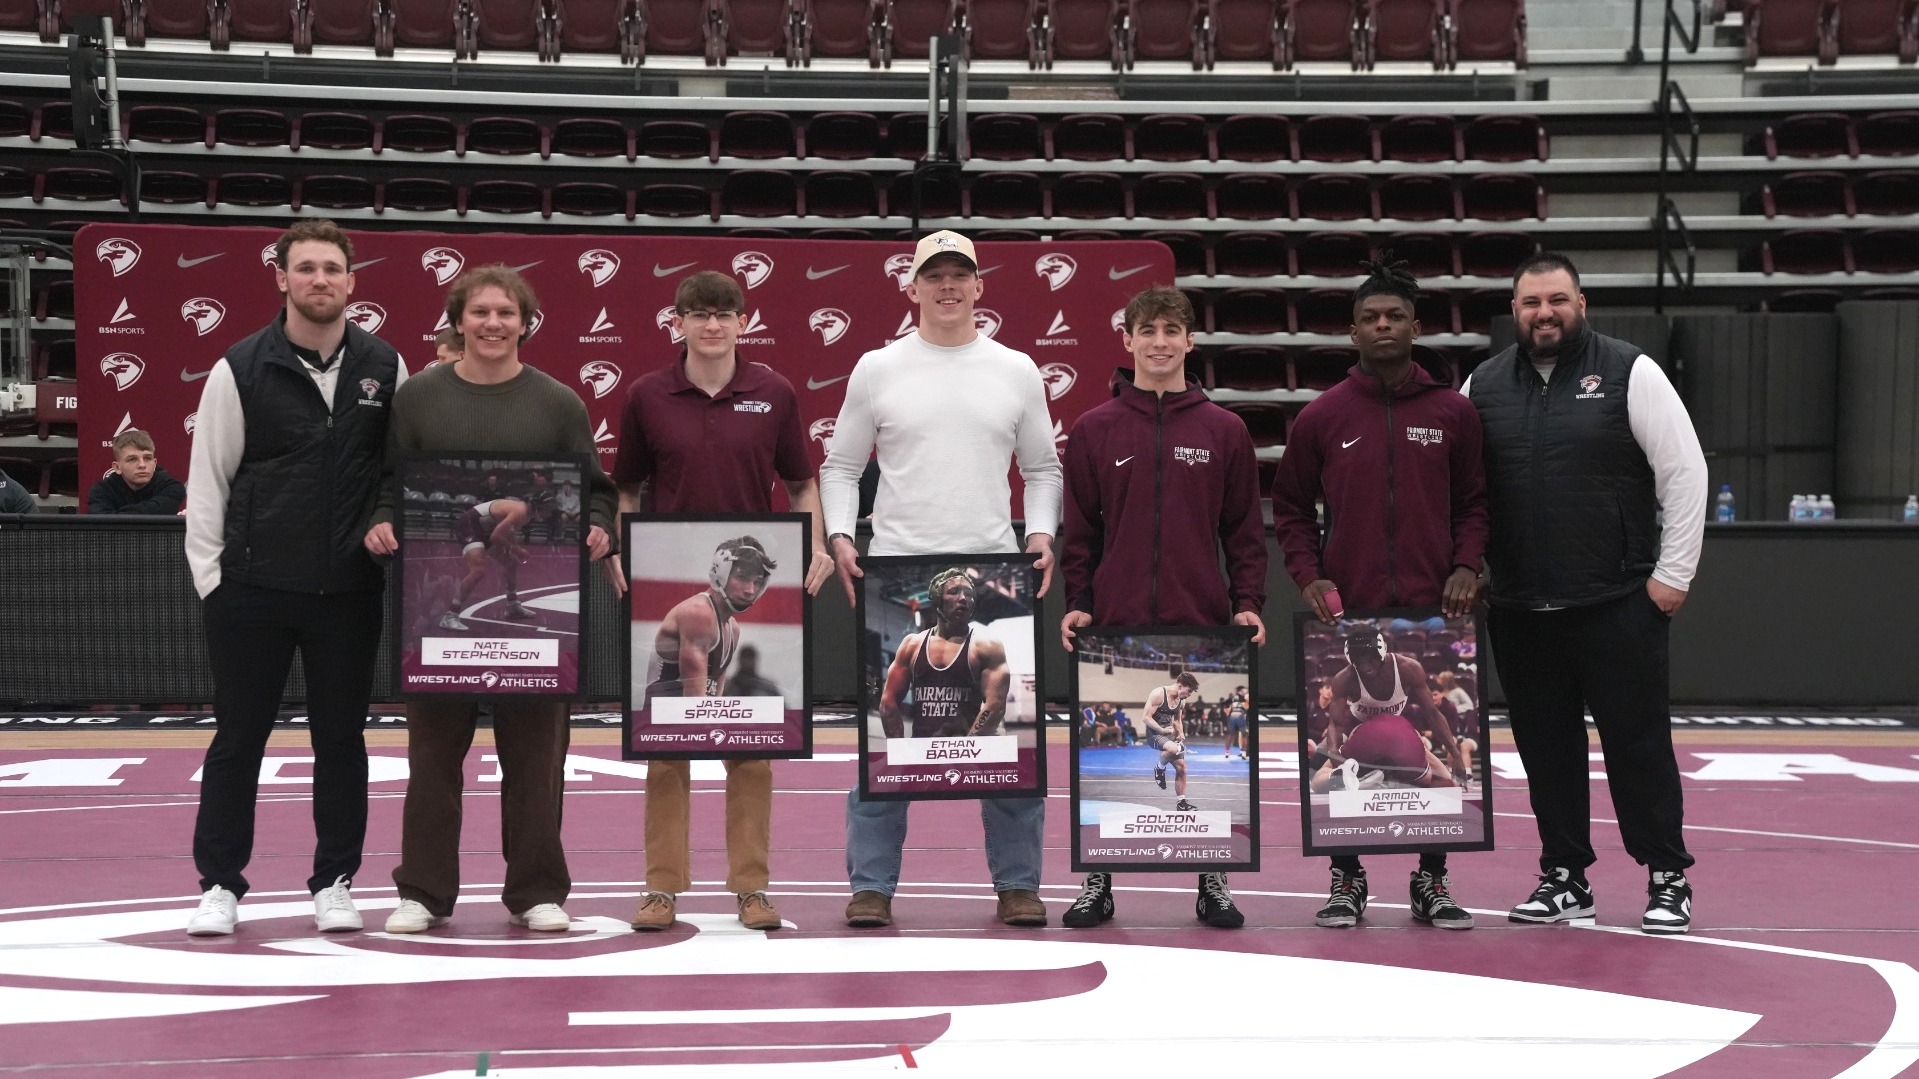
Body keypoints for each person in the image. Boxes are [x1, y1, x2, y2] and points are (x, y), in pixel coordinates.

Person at [364, 265, 617, 935]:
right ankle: (421, 890)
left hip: (536, 643)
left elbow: (594, 488)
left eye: (505, 312)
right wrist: (382, 518)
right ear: (457, 320)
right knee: (432, 759)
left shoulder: (559, 402)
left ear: (524, 321)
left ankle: (536, 889)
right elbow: (388, 481)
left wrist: (597, 524)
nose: (492, 323)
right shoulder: (418, 398)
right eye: (479, 312)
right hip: (430, 609)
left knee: (537, 758)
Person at [820, 230, 1062, 930]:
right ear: (912, 286)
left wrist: (1038, 533)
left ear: (979, 286)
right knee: (886, 733)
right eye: (934, 275)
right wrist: (841, 534)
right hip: (898, 566)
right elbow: (839, 466)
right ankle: (871, 885)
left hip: (993, 564)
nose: (947, 286)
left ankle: (1017, 882)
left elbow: (1042, 470)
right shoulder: (877, 367)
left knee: (1008, 738)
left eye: (960, 274)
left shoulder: (1015, 368)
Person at [1463, 252, 1708, 935]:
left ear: (1581, 303)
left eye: (1556, 300)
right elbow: (1461, 491)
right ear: (1513, 311)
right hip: (1519, 607)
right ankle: (1564, 875)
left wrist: (1671, 575)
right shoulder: (1480, 385)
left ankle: (1665, 875)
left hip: (1615, 600)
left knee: (1637, 744)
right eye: (1530, 302)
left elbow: (1684, 473)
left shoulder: (1631, 371)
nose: (1544, 313)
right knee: (1545, 749)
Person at [182, 218, 405, 936]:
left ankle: (334, 880)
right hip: (251, 591)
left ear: (351, 281)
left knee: (340, 739)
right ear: (280, 277)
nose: (319, 280)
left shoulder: (386, 366)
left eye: (331, 268)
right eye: (304, 267)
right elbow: (209, 481)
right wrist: (213, 581)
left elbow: (397, 475)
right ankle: (220, 883)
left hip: (346, 591)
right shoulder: (239, 366)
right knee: (238, 739)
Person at [1270, 257, 1488, 931]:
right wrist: (1310, 575)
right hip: (1350, 608)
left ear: (1415, 326)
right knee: (1348, 757)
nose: (1383, 325)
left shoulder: (1453, 413)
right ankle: (1347, 880)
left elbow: (1477, 503)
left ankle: (1430, 879)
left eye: (1395, 316)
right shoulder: (1321, 417)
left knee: (1429, 742)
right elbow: (1289, 510)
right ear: (1353, 331)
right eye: (1371, 317)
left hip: (1434, 602)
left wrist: (1467, 565)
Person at [614, 269, 834, 934]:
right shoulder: (647, 394)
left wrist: (816, 546)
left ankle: (751, 887)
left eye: (723, 313)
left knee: (751, 743)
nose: (711, 325)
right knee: (666, 745)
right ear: (675, 321)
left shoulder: (773, 392)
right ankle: (661, 888)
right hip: (680, 583)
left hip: (749, 594)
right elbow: (625, 489)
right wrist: (620, 553)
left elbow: (801, 482)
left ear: (743, 320)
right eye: (698, 313)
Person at [1058, 285, 1267, 930]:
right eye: (1145, 331)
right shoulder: (1095, 429)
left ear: (1189, 340)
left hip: (1201, 617)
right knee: (1095, 778)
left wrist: (1249, 603)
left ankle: (1214, 882)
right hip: (1116, 619)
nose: (1158, 343)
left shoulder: (1224, 430)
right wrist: (1079, 603)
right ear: (1127, 341)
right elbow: (1080, 532)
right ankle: (1098, 882)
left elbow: (1243, 533)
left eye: (1170, 330)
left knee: (1201, 762)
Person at [1309, 625, 1467, 793]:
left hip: (1392, 728)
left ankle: (1370, 781)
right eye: (1359, 662)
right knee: (1313, 770)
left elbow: (1432, 714)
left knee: (1447, 783)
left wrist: (1456, 754)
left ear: (1382, 653)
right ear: (1350, 659)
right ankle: (1364, 779)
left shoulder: (1407, 669)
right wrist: (1335, 755)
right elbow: (1335, 724)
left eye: (1371, 659)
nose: (1365, 667)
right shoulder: (1345, 678)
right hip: (1356, 727)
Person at [88, 429, 187, 515]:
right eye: (132, 459)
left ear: (155, 463)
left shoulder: (173, 487)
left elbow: (111, 520)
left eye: (147, 458)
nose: (142, 465)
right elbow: (102, 524)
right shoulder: (101, 491)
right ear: (117, 467)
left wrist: (116, 515)